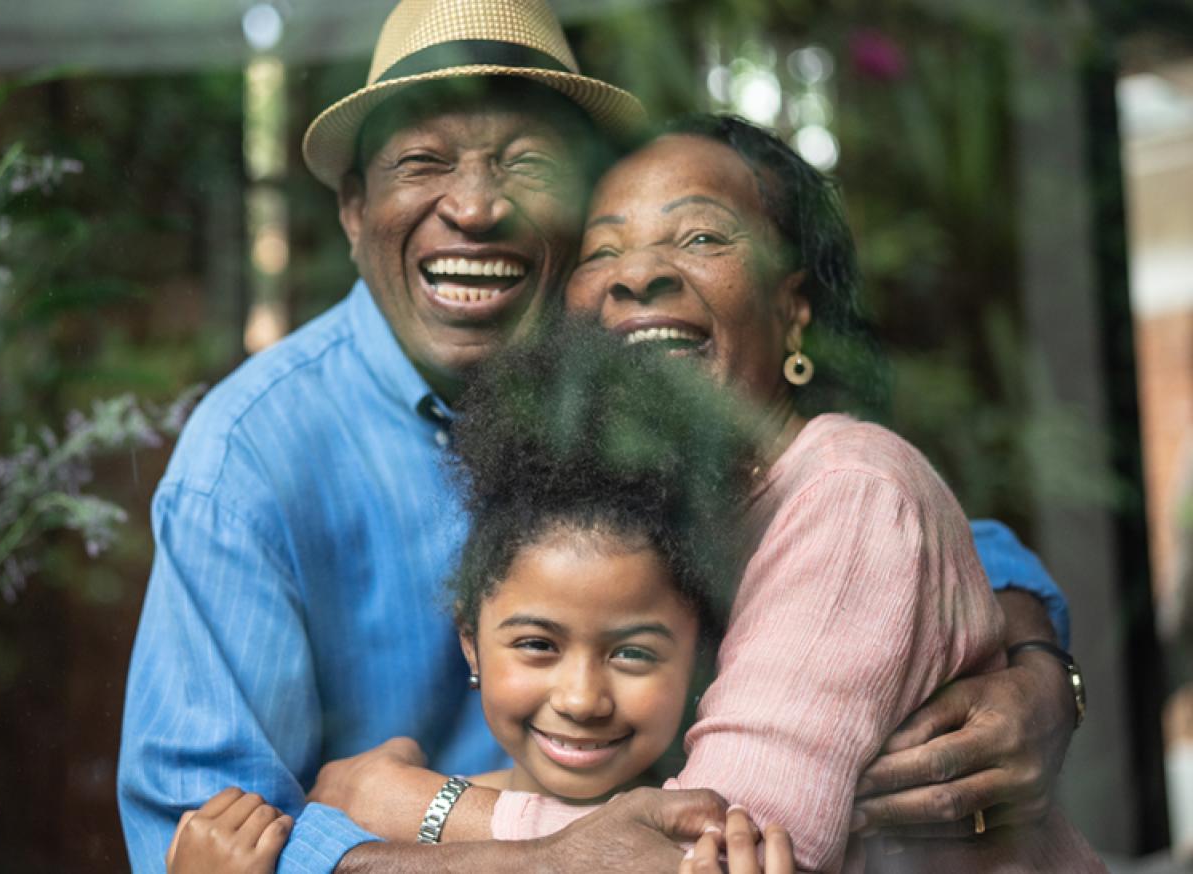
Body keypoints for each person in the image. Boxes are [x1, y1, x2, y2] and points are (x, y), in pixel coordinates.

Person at [118, 1, 1081, 871]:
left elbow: (865, 518)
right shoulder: (249, 459)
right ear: (354, 209)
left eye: (525, 164)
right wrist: (495, 854)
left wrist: (1037, 668)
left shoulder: (634, 382)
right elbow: (199, 837)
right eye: (423, 161)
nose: (476, 207)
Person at [307, 115, 1102, 871]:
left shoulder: (853, 492)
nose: (640, 273)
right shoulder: (655, 515)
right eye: (602, 249)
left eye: (700, 237)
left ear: (794, 313)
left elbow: (715, 854)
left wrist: (416, 810)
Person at [166, 322, 798, 873]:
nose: (581, 699)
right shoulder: (387, 834)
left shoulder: (721, 843)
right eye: (536, 644)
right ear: (471, 641)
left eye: (632, 653)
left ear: (698, 652)